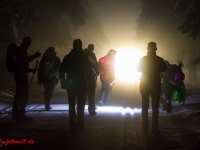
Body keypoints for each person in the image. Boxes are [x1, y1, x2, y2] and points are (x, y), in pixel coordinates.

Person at [59, 39, 95, 132]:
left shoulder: (68, 57)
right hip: (81, 83)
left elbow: (62, 70)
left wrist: (63, 82)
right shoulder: (84, 57)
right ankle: (80, 124)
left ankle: (72, 124)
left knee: (71, 104)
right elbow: (89, 72)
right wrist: (91, 83)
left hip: (71, 84)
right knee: (80, 105)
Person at [137, 42, 167, 134]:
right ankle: (155, 127)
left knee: (145, 106)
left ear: (147, 49)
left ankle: (144, 127)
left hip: (145, 84)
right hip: (155, 84)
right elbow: (164, 69)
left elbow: (138, 69)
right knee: (155, 107)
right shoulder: (160, 60)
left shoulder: (142, 59)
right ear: (156, 49)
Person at [12, 37, 41, 121]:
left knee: (19, 94)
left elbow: (23, 62)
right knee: (23, 95)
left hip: (19, 74)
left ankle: (16, 113)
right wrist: (31, 68)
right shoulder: (21, 50)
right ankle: (20, 113)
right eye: (29, 42)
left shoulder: (20, 50)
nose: (29, 44)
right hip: (21, 75)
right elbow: (23, 62)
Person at [83, 44, 99, 116]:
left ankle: (80, 110)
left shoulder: (81, 55)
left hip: (82, 77)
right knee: (91, 95)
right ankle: (91, 111)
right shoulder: (91, 55)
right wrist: (97, 73)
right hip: (91, 77)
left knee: (82, 95)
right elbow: (95, 65)